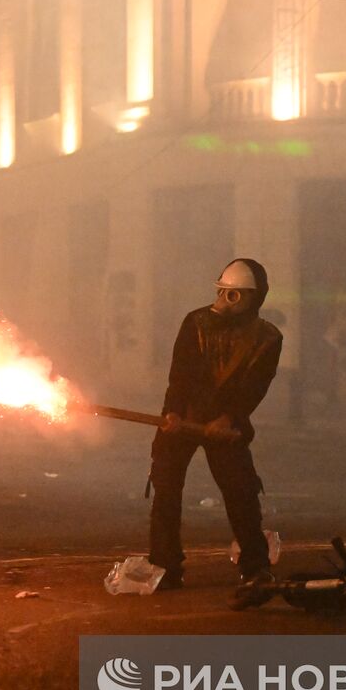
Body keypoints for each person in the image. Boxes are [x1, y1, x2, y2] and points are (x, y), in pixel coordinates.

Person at [147, 258, 283, 609]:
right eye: (222, 293)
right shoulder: (196, 322)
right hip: (184, 417)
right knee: (165, 487)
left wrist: (231, 417)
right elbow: (181, 374)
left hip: (227, 425)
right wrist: (174, 413)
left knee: (240, 491)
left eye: (234, 295)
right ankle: (165, 566)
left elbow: (255, 386)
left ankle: (256, 566)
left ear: (255, 298)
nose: (225, 301)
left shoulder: (267, 338)